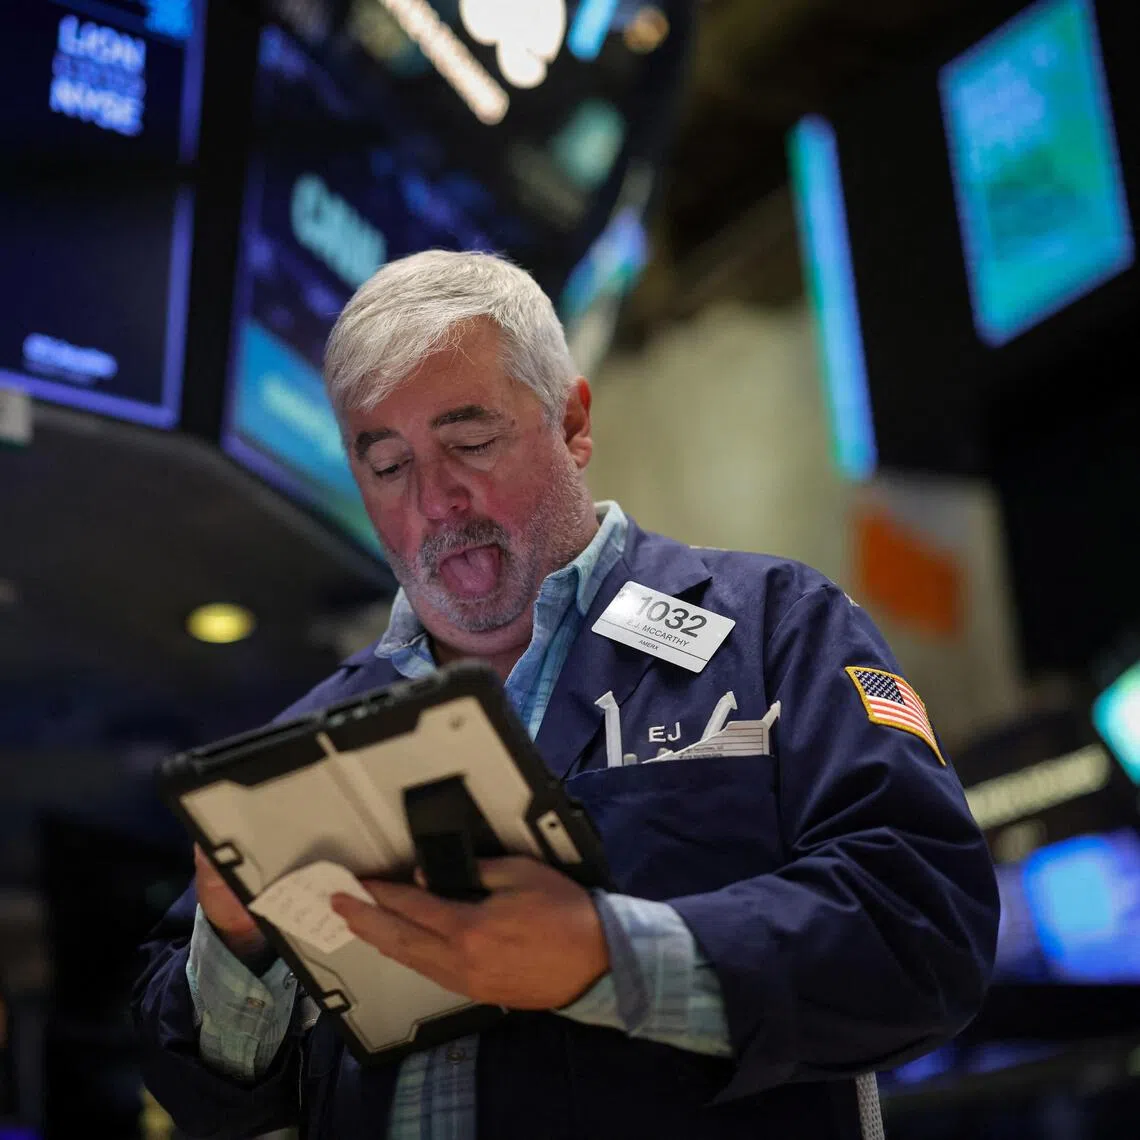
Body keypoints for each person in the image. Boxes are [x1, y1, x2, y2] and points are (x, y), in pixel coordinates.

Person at [133, 250, 1000, 1140]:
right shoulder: (307, 740)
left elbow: (925, 929)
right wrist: (237, 941)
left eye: (471, 442)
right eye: (388, 465)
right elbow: (203, 1095)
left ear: (574, 423)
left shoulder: (773, 630)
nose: (435, 499)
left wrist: (605, 956)